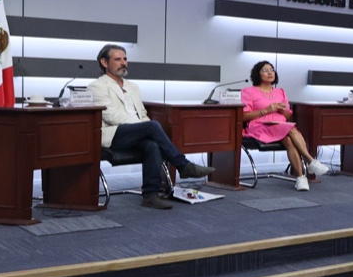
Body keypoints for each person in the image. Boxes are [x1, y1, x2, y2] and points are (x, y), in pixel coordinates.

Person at [87, 44, 213, 209]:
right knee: (152, 126)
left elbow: (142, 113)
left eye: (125, 59)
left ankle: (150, 195)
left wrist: (144, 126)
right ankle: (183, 165)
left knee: (152, 144)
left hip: (137, 132)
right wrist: (144, 126)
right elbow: (110, 116)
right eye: (118, 59)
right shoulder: (96, 86)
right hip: (114, 133)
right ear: (104, 62)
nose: (123, 63)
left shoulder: (133, 87)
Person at [241, 61, 327, 191]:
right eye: (265, 70)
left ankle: (301, 178)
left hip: (281, 126)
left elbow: (287, 116)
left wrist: (282, 111)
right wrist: (267, 110)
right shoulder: (248, 92)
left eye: (272, 69)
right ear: (257, 74)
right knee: (290, 129)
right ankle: (310, 160)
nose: (270, 72)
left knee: (288, 139)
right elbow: (243, 116)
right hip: (260, 126)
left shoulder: (280, 92)